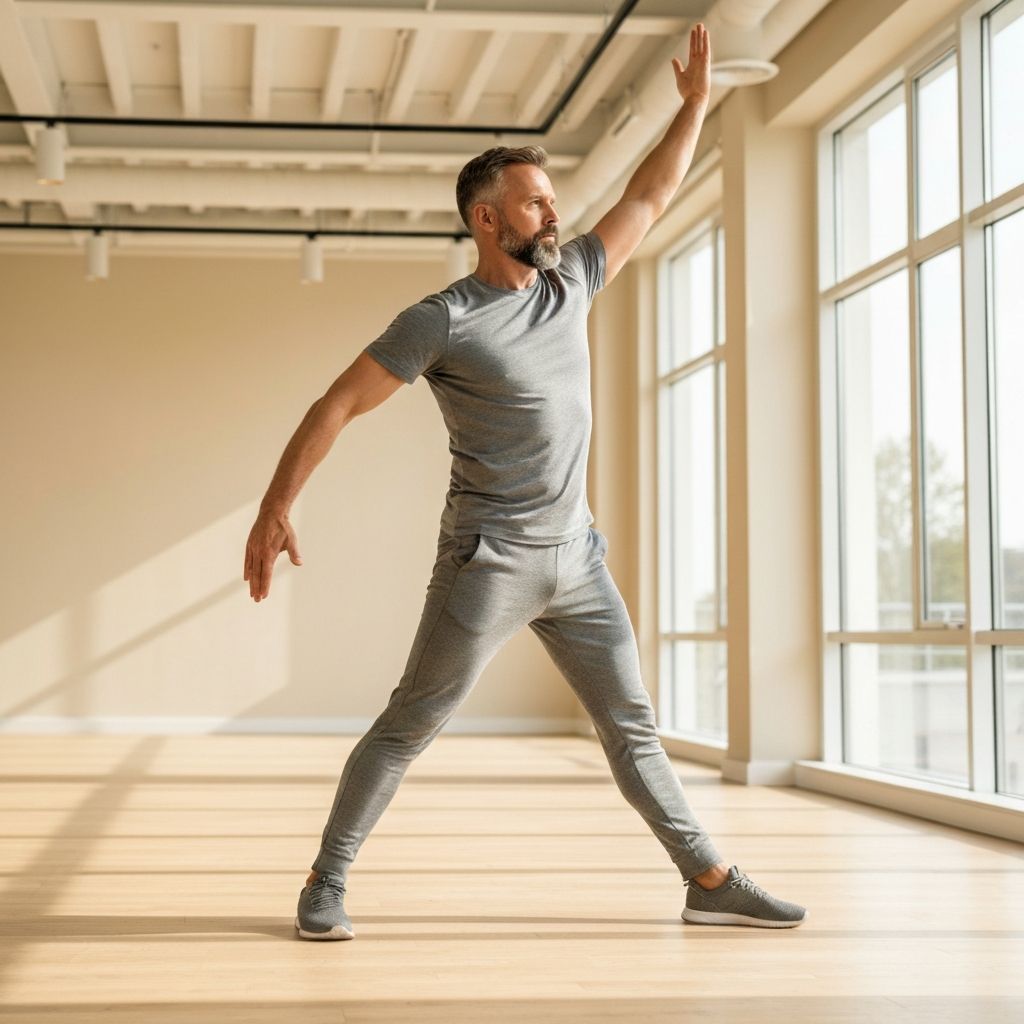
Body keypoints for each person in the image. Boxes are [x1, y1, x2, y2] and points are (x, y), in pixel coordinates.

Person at [243, 23, 806, 940]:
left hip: (577, 557)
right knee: (410, 723)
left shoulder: (573, 279)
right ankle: (324, 882)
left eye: (552, 201)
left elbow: (652, 194)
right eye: (537, 203)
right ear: (487, 219)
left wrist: (697, 103)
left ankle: (708, 880)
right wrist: (276, 507)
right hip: (490, 560)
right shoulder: (443, 321)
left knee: (632, 728)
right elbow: (338, 403)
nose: (555, 214)